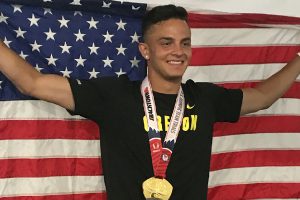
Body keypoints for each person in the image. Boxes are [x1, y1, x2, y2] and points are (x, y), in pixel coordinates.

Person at [0, 4, 300, 200]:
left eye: (185, 43)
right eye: (166, 42)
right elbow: (32, 82)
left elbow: (262, 97)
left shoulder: (205, 99)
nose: (177, 51)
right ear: (145, 50)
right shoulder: (114, 96)